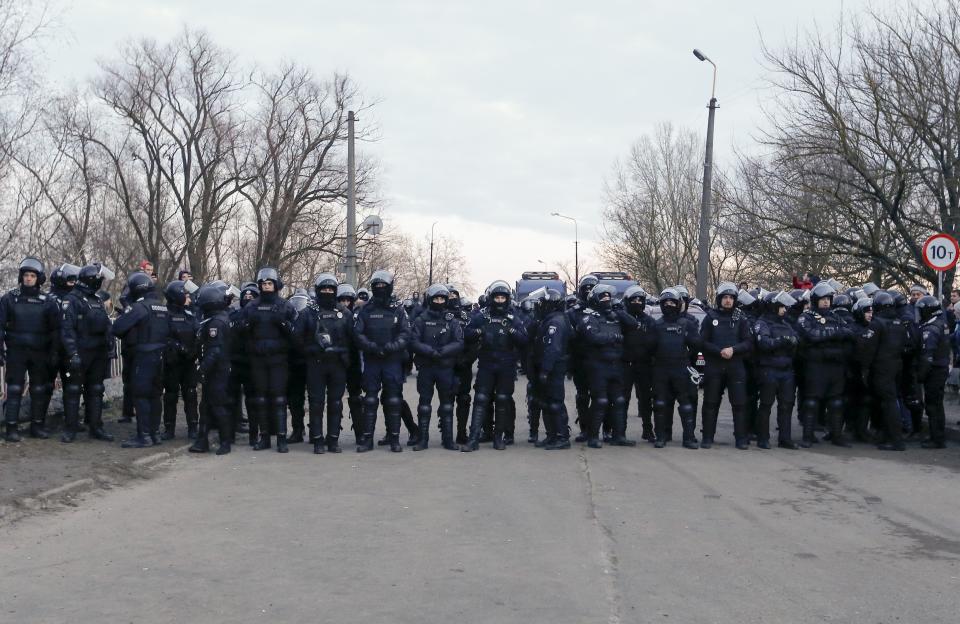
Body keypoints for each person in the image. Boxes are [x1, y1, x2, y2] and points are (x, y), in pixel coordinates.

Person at [0, 258, 61, 442]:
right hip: (16, 351)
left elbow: (56, 330)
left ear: (38, 278)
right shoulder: (9, 298)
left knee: (38, 389)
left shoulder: (47, 301)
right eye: (26, 275)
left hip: (39, 352)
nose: (28, 279)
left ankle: (37, 426)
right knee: (15, 388)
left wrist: (54, 352)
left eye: (32, 275)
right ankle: (11, 428)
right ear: (21, 277)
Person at [461, 281, 527, 451]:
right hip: (487, 363)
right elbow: (466, 335)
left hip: (506, 364)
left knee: (502, 399)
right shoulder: (481, 316)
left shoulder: (513, 317)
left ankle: (499, 437)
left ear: (507, 299)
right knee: (481, 399)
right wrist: (478, 332)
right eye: (496, 297)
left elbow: (524, 340)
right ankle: (473, 438)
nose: (499, 300)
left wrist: (513, 331)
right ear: (491, 298)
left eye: (502, 297)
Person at [237, 268, 297, 453]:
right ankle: (264, 438)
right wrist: (247, 325)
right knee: (260, 398)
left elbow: (296, 334)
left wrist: (283, 324)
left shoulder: (285, 306)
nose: (266, 287)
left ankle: (281, 438)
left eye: (269, 283)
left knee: (279, 399)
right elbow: (241, 332)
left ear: (276, 284)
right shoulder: (252, 306)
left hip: (279, 358)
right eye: (263, 284)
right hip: (258, 358)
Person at [294, 273, 353, 454]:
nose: (327, 292)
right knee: (316, 403)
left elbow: (352, 339)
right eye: (323, 289)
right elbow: (297, 338)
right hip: (316, 363)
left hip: (337, 363)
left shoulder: (344, 313)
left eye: (330, 289)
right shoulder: (308, 313)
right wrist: (312, 349)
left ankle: (333, 440)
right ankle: (318, 439)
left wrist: (341, 352)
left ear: (335, 291)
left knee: (335, 403)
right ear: (318, 290)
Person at [112, 272, 171, 448]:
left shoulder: (139, 308)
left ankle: (144, 436)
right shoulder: (162, 307)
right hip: (160, 356)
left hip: (143, 356)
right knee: (155, 396)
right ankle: (154, 434)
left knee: (141, 395)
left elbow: (118, 328)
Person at [576, 284, 639, 448]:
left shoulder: (615, 316)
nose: (607, 300)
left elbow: (633, 324)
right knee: (600, 401)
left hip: (616, 365)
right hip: (597, 366)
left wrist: (619, 311)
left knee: (619, 400)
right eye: (603, 297)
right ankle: (593, 437)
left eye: (608, 297)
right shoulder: (588, 317)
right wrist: (614, 336)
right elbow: (593, 337)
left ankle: (618, 436)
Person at [352, 270, 410, 452]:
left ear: (390, 287)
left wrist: (392, 347)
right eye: (377, 286)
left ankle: (394, 439)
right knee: (370, 400)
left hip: (392, 360)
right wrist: (372, 347)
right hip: (372, 360)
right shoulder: (366, 310)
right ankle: (367, 440)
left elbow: (405, 333)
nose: (380, 289)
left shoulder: (398, 310)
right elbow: (358, 333)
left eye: (383, 286)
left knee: (393, 400)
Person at [797, 282, 853, 448]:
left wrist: (831, 336)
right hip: (816, 365)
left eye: (828, 299)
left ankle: (836, 435)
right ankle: (808, 436)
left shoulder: (837, 317)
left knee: (836, 402)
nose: (826, 302)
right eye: (822, 299)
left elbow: (850, 333)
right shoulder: (806, 317)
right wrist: (834, 334)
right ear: (816, 300)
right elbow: (811, 335)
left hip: (835, 366)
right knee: (812, 401)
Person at [410, 283, 464, 451]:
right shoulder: (421, 319)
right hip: (427, 366)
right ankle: (423, 440)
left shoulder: (452, 320)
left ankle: (448, 440)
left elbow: (459, 342)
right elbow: (413, 341)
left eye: (442, 298)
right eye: (436, 298)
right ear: (430, 299)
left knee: (447, 404)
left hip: (445, 367)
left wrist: (443, 351)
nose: (439, 301)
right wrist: (430, 352)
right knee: (424, 404)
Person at [699, 282, 753, 449]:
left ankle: (741, 439)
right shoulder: (710, 317)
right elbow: (702, 341)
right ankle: (707, 437)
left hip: (735, 366)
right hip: (714, 366)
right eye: (725, 297)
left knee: (739, 403)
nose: (728, 301)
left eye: (731, 298)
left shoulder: (741, 318)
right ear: (719, 299)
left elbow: (748, 342)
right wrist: (718, 351)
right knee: (710, 402)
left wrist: (733, 350)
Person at [651, 289, 700, 449]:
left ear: (678, 304)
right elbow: (649, 349)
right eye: (666, 303)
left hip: (681, 368)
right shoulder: (656, 325)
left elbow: (697, 346)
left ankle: (689, 438)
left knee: (686, 404)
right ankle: (661, 436)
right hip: (661, 370)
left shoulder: (687, 324)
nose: (669, 305)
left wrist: (689, 362)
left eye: (672, 303)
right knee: (660, 404)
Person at [189, 283, 234, 455]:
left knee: (217, 405)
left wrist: (202, 369)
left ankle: (225, 442)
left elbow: (214, 350)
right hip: (215, 370)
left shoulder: (216, 322)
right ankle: (202, 441)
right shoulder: (214, 319)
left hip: (217, 371)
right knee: (206, 406)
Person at [752, 291, 800, 449]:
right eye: (781, 307)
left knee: (786, 405)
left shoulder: (786, 324)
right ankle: (763, 438)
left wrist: (786, 342)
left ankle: (785, 438)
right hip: (769, 369)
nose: (785, 310)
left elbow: (795, 341)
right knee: (766, 404)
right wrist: (782, 341)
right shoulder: (762, 323)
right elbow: (764, 343)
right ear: (773, 307)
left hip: (786, 369)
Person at [866, 292, 911, 451]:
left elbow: (869, 349)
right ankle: (887, 436)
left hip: (882, 367)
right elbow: (906, 344)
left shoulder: (877, 324)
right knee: (890, 401)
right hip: (896, 365)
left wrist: (865, 367)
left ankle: (895, 440)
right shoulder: (899, 322)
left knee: (888, 403)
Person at [531, 289, 571, 449]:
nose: (540, 306)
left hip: (554, 367)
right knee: (546, 403)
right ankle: (551, 435)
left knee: (555, 402)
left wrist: (545, 370)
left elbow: (553, 348)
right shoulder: (551, 319)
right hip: (550, 366)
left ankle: (562, 437)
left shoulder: (556, 322)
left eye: (543, 304)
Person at [162, 280, 199, 440]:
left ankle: (193, 427)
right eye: (186, 295)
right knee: (170, 395)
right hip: (172, 362)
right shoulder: (164, 315)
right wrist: (177, 346)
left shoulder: (189, 315)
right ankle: (169, 429)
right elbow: (162, 336)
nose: (189, 297)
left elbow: (198, 333)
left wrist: (193, 351)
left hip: (188, 362)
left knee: (190, 394)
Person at [621, 285, 656, 442]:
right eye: (634, 300)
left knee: (646, 399)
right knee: (623, 399)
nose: (637, 302)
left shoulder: (649, 321)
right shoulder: (621, 318)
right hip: (625, 365)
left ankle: (648, 430)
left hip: (644, 365)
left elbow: (655, 343)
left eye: (640, 300)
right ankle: (620, 431)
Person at [567, 275, 599, 442]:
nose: (587, 292)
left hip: (600, 360)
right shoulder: (573, 313)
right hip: (580, 360)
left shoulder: (605, 310)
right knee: (582, 396)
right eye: (585, 289)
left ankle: (603, 429)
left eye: (591, 289)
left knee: (600, 396)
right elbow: (567, 337)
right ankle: (585, 429)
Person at [915, 295, 950, 449]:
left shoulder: (930, 329)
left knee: (932, 406)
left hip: (934, 371)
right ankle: (937, 436)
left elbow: (927, 356)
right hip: (941, 369)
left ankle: (937, 439)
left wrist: (921, 375)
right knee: (937, 405)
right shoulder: (941, 324)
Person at [336, 283, 365, 444]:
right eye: (342, 300)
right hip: (337, 360)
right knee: (335, 398)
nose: (345, 303)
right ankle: (334, 432)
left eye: (348, 300)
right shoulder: (332, 315)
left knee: (355, 397)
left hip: (353, 361)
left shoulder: (358, 316)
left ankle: (360, 433)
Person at [229, 283, 258, 444]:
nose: (248, 299)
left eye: (251, 297)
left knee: (252, 401)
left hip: (252, 362)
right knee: (232, 399)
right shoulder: (234, 315)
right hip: (235, 362)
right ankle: (230, 433)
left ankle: (254, 435)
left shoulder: (260, 316)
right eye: (245, 297)